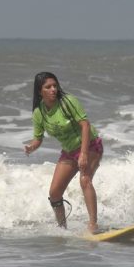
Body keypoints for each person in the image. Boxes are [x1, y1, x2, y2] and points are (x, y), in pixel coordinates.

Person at [24, 72, 103, 233]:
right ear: (40, 91)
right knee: (54, 193)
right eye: (48, 87)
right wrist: (31, 147)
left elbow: (85, 125)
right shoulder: (39, 113)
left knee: (85, 179)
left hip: (90, 146)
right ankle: (62, 229)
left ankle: (93, 225)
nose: (53, 89)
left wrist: (84, 154)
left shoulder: (68, 102)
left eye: (55, 85)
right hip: (69, 151)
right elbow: (38, 138)